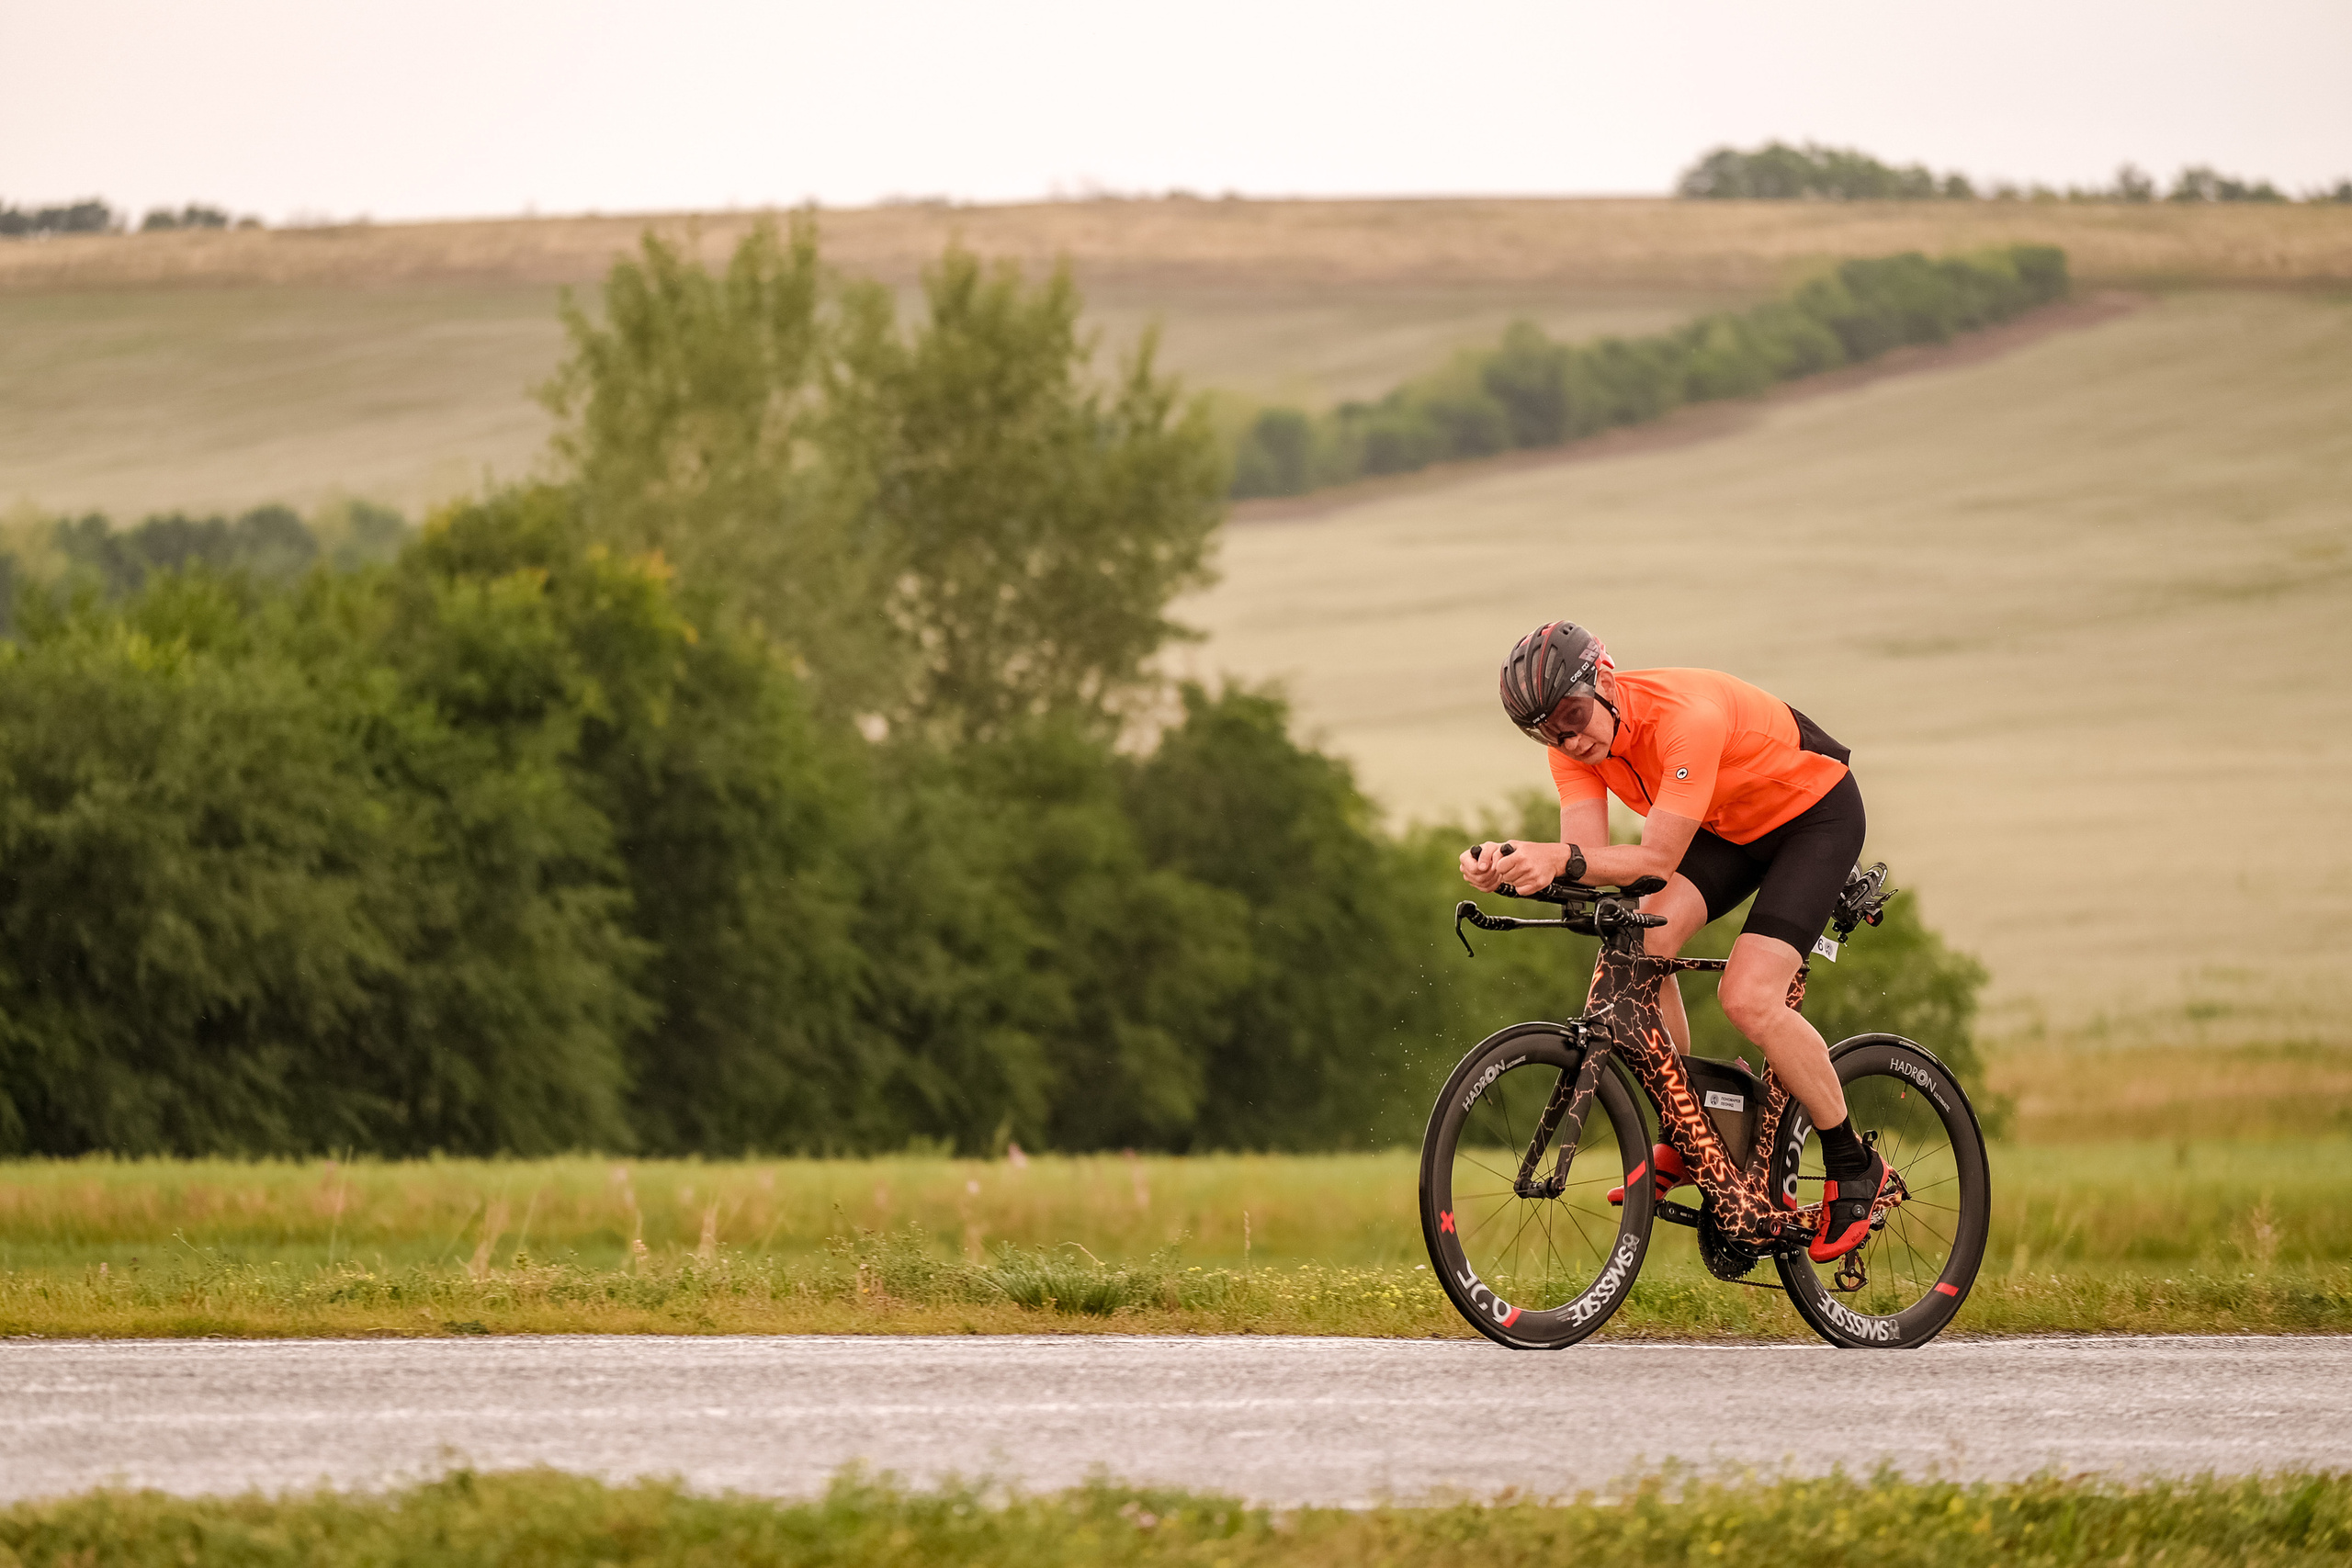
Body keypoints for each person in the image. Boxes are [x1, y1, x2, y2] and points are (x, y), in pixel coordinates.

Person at [1458, 619, 1887, 1264]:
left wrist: (1556, 857)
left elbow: (1653, 859)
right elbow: (1589, 861)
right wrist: (1511, 870)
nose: (1568, 738)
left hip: (1813, 814)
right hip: (1731, 823)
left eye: (1572, 714)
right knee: (1634, 950)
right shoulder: (1574, 748)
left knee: (1748, 996)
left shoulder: (1685, 718)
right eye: (1546, 731)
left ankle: (1856, 1165)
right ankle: (1694, 1131)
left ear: (1604, 678)